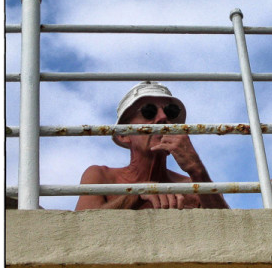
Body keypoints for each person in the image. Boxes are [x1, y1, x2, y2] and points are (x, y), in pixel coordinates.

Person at [76, 81, 229, 210]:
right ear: (124, 135)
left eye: (171, 112)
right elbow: (79, 231)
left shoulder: (195, 186)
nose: (163, 117)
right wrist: (136, 193)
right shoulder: (101, 177)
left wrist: (197, 169)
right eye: (148, 112)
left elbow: (229, 231)